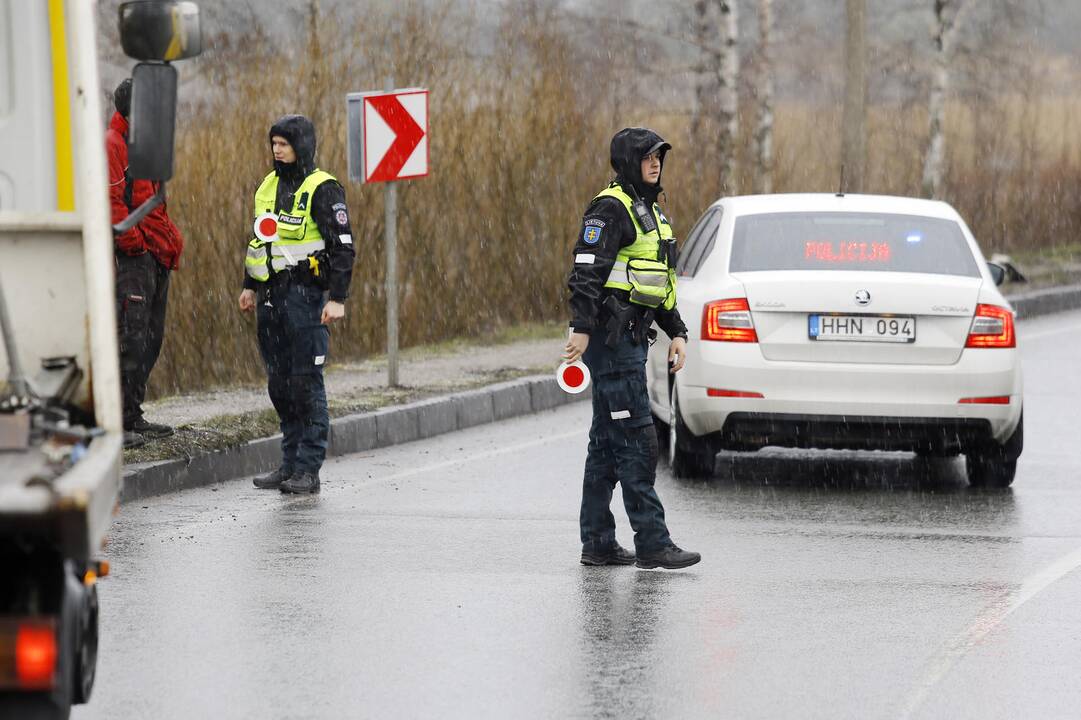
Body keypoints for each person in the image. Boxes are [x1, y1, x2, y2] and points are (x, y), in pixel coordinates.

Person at [563, 127, 701, 570]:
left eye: (660, 155)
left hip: (631, 341)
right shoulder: (611, 208)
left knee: (606, 445)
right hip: (610, 341)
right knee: (637, 441)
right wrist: (581, 327)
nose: (655, 162)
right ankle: (653, 543)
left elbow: (657, 284)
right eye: (647, 156)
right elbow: (585, 270)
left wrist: (676, 330)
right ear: (627, 161)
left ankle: (599, 543)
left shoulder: (651, 212)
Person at [238, 115, 355, 494]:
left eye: (283, 143)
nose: (276, 149)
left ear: (300, 145)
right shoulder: (267, 187)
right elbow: (261, 242)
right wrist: (249, 287)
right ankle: (288, 465)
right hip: (270, 299)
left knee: (306, 385)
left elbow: (343, 248)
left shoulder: (323, 189)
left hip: (305, 297)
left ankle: (308, 469)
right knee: (280, 385)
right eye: (273, 143)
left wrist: (337, 298)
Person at [106, 78, 184, 449]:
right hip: (132, 257)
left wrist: (166, 243)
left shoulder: (144, 147)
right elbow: (112, 202)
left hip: (152, 255)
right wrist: (133, 244)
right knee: (130, 337)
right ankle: (117, 422)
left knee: (151, 338)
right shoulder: (113, 145)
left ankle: (132, 415)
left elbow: (155, 200)